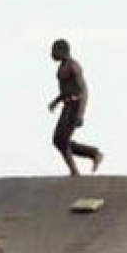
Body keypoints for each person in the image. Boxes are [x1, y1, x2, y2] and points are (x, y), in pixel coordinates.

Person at [48, 39, 103, 176]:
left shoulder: (73, 66)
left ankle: (75, 170)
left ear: (62, 51)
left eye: (54, 50)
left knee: (62, 140)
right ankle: (93, 153)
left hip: (75, 105)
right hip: (67, 105)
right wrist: (55, 101)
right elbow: (66, 90)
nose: (51, 54)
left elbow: (83, 91)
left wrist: (80, 114)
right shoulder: (62, 67)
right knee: (58, 140)